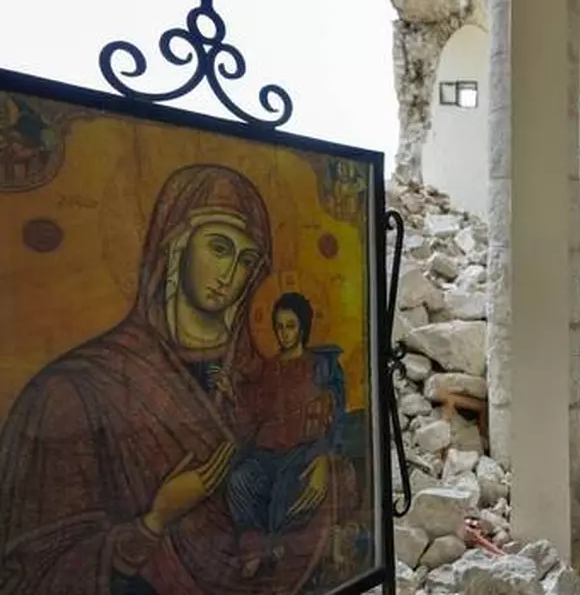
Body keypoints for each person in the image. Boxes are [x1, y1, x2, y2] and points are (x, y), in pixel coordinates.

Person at [0, 164, 353, 595]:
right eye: (219, 247)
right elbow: (34, 569)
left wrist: (323, 461)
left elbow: (308, 436)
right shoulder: (76, 389)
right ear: (175, 246)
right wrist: (156, 520)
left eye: (246, 260)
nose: (230, 274)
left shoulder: (261, 372)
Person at [225, 292, 347, 578]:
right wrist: (232, 396)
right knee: (239, 481)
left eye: (290, 326)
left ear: (302, 328)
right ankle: (255, 546)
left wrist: (326, 456)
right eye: (279, 326)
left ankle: (279, 548)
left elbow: (338, 414)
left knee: (286, 492)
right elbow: (254, 414)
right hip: (267, 452)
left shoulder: (322, 366)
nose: (284, 333)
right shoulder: (269, 368)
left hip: (304, 450)